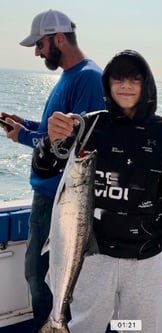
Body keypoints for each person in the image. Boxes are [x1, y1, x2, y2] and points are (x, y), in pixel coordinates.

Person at [32, 49, 162, 333]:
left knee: (134, 326)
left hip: (145, 257)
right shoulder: (88, 125)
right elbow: (44, 168)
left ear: (146, 84)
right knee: (88, 324)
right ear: (107, 84)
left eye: (134, 79)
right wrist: (50, 141)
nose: (125, 86)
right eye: (118, 79)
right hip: (92, 253)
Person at [0, 9, 105, 333]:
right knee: (37, 272)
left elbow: (78, 145)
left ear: (59, 38)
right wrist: (25, 125)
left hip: (62, 203)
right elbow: (53, 132)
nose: (37, 51)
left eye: (40, 44)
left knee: (42, 274)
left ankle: (55, 326)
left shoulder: (88, 77)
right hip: (48, 196)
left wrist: (24, 137)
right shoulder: (70, 76)